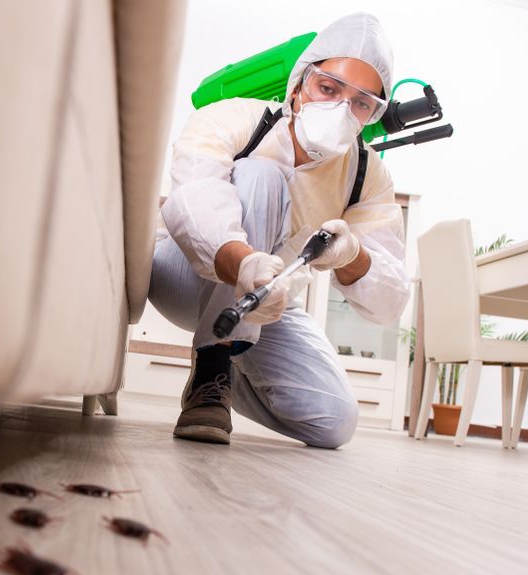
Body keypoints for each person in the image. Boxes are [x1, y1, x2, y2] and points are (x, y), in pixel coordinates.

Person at [148, 12, 410, 448]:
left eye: (361, 102)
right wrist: (242, 260)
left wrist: (352, 257)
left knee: (333, 422)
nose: (341, 109)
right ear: (299, 83)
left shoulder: (366, 174)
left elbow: (390, 300)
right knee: (260, 177)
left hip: (267, 300)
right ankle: (212, 371)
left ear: (373, 113)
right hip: (183, 275)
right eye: (328, 88)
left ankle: (228, 374)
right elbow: (192, 199)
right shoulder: (233, 118)